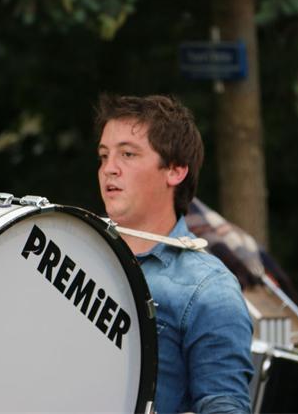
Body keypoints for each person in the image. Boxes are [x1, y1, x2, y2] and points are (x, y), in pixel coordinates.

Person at [95, 93, 253, 414]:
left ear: (176, 170)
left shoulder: (210, 291)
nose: (109, 169)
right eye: (103, 156)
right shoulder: (75, 256)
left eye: (127, 154)